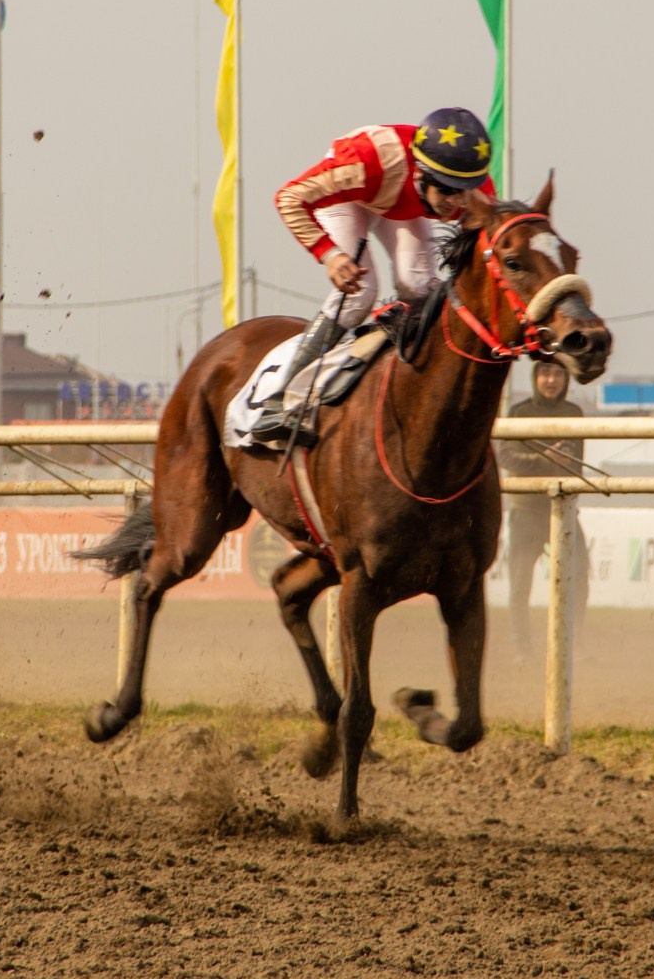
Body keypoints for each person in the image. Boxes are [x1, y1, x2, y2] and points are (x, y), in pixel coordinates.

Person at [249, 106, 496, 442]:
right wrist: (330, 256)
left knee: (419, 286)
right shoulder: (363, 165)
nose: (456, 204)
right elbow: (289, 197)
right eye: (449, 192)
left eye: (465, 192)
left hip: (400, 201)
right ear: (422, 173)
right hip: (353, 195)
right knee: (361, 293)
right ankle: (276, 400)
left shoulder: (475, 189)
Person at [495, 357, 588, 661]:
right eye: (546, 373)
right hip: (525, 511)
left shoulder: (575, 414)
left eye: (557, 374)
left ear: (566, 379)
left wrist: (561, 461)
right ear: (536, 377)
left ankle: (572, 643)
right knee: (520, 585)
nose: (551, 380)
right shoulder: (519, 412)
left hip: (563, 509)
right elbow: (507, 458)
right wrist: (546, 458)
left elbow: (577, 463)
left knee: (579, 577)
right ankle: (522, 650)